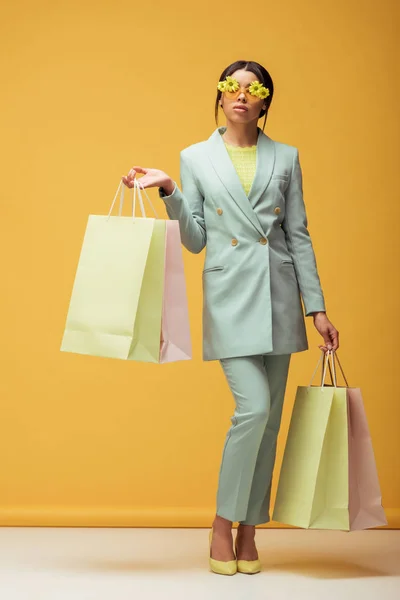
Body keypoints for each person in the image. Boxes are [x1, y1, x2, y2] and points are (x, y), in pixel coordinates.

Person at [122, 59, 339, 576]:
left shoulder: (286, 157)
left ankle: (249, 530)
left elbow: (299, 234)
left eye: (253, 88)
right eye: (231, 87)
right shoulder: (195, 158)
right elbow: (195, 241)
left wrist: (318, 308)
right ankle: (222, 522)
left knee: (269, 426)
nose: (241, 95)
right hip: (229, 294)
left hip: (281, 295)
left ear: (265, 101)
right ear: (220, 97)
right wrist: (171, 191)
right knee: (254, 408)